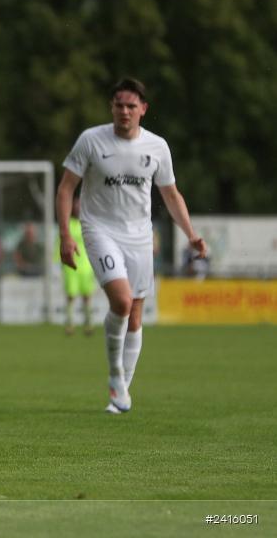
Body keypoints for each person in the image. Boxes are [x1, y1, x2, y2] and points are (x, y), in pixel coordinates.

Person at [56, 78, 207, 414]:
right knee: (122, 302)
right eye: (119, 105)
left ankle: (121, 392)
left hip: (139, 236)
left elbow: (171, 195)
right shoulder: (91, 140)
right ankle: (115, 376)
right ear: (111, 108)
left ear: (143, 109)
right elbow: (66, 188)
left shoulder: (157, 147)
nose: (124, 111)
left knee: (135, 315)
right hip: (99, 230)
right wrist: (66, 234)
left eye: (131, 106)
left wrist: (190, 233)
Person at [56, 196, 95, 335]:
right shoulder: (67, 225)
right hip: (70, 266)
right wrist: (57, 261)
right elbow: (59, 244)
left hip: (86, 266)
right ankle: (70, 323)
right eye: (76, 205)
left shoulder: (88, 223)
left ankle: (88, 322)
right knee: (71, 295)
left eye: (80, 205)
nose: (78, 208)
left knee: (87, 295)